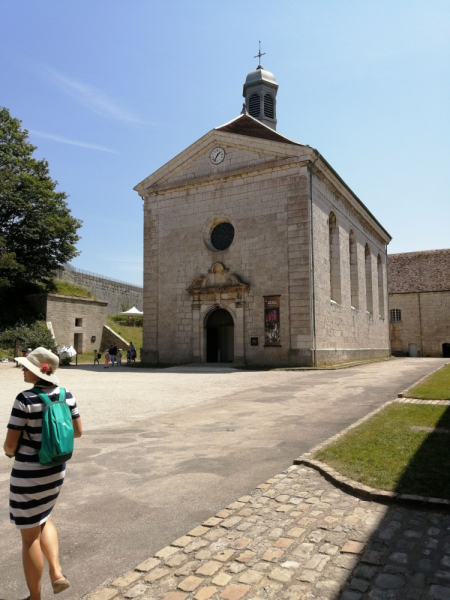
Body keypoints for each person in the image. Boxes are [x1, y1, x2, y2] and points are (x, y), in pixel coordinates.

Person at [3, 347, 82, 600]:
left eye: (26, 367)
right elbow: (78, 432)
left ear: (38, 372)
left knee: (29, 539)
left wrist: (9, 451)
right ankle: (57, 572)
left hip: (28, 475)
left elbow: (10, 445)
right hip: (56, 471)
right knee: (44, 517)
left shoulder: (24, 399)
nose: (23, 370)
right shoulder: (66, 394)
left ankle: (35, 598)